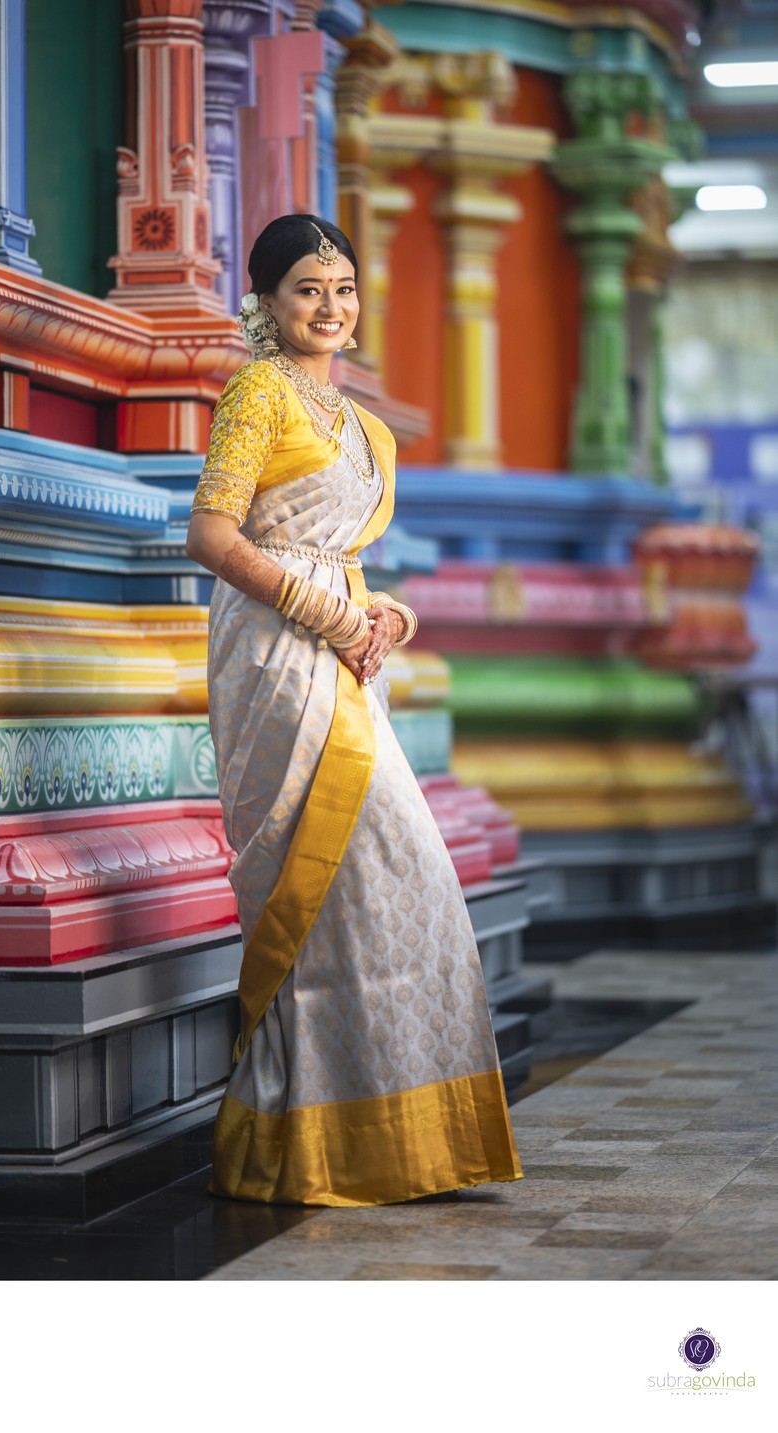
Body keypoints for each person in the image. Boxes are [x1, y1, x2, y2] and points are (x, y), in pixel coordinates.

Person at [186, 213, 523, 1206]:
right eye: (307, 290)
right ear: (266, 302)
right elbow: (213, 533)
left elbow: (344, 555)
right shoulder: (256, 393)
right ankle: (308, 1145)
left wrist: (386, 613)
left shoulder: (359, 423)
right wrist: (323, 611)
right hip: (277, 657)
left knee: (391, 878)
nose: (330, 308)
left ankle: (388, 1137)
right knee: (341, 866)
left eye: (343, 289)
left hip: (343, 649)